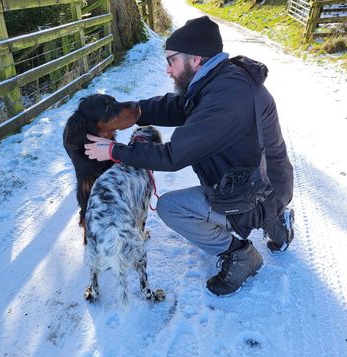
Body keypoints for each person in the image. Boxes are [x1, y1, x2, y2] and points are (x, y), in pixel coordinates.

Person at [84, 16, 294, 297]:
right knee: (266, 204)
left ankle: (240, 254)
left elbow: (173, 156)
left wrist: (113, 151)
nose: (167, 69)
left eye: (171, 60)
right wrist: (131, 113)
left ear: (195, 59)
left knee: (171, 207)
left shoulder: (226, 99)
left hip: (252, 192)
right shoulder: (220, 79)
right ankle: (275, 219)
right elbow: (178, 106)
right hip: (263, 184)